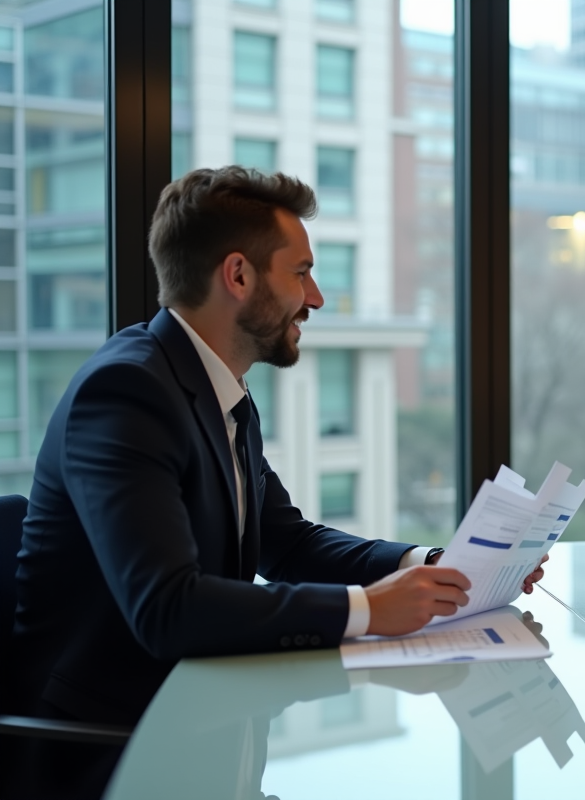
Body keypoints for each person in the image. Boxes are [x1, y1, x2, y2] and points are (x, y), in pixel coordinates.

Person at [1, 167, 546, 797]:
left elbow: (287, 542)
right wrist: (370, 609)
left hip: (204, 735)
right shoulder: (126, 393)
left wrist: (427, 565)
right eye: (301, 272)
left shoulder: (216, 389)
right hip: (110, 757)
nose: (315, 298)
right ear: (238, 276)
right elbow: (168, 609)